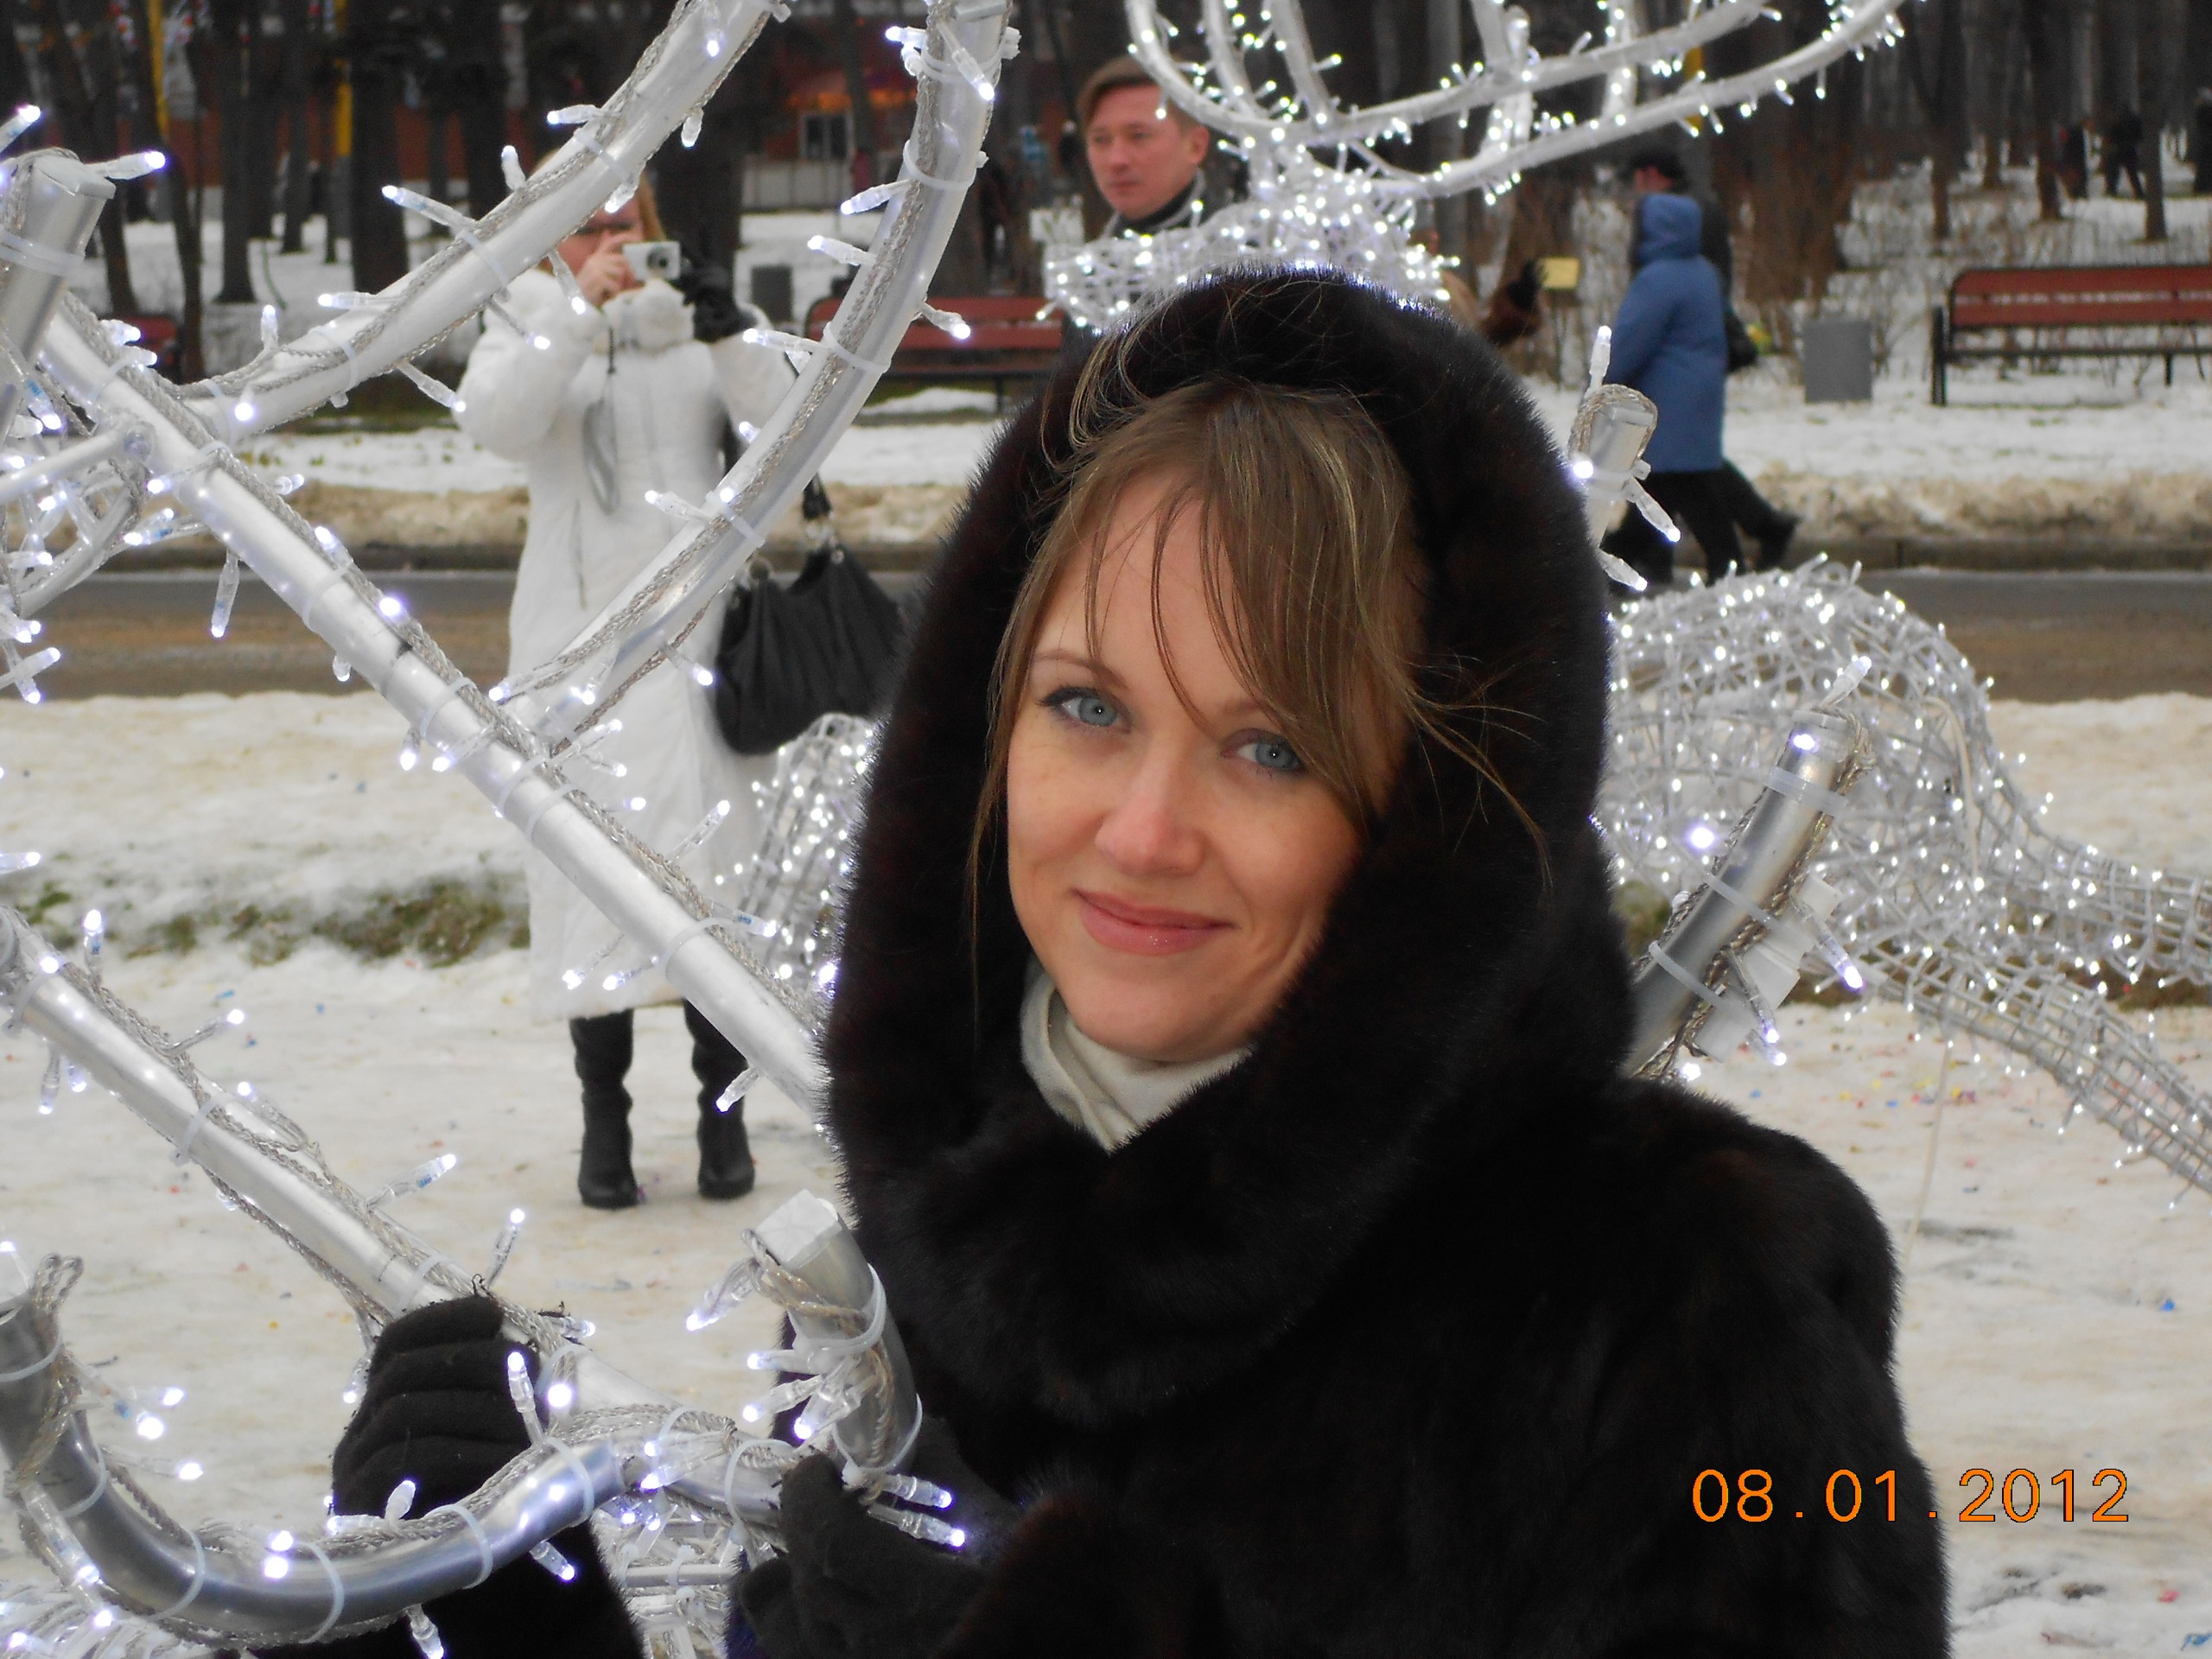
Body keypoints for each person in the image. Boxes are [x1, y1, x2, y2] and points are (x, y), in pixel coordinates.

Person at [287, 271, 1947, 1659]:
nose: (1143, 833)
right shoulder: (945, 1264)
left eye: (1271, 748)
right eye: (1088, 707)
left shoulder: (1692, 1316)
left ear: (1428, 821)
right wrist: (507, 1628)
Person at [455, 181, 796, 1210]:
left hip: (700, 645)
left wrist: (732, 333)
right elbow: (498, 423)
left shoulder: (692, 322)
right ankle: (603, 1122)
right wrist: (573, 316)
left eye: (626, 225)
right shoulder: (528, 317)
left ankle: (722, 1118)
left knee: (708, 883)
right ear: (550, 244)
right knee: (592, 880)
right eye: (587, 230)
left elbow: (788, 428)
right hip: (577, 655)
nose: (611, 244)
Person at [1626, 145, 1799, 568]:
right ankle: (1654, 557)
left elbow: (1658, 311)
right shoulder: (1694, 214)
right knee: (1675, 463)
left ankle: (1741, 542)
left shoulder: (1672, 227)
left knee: (1681, 466)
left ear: (1649, 174)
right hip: (1694, 356)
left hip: (1678, 357)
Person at [1603, 192, 1744, 585]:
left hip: (1666, 399)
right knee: (1666, 485)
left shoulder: (1657, 279)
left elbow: (1631, 340)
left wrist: (1602, 383)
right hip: (1699, 394)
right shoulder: (1704, 273)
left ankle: (1728, 566)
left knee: (1681, 485)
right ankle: (1620, 566)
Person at [1080, 54, 1211, 234]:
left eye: (1138, 136)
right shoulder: (1100, 248)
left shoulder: (1239, 247)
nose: (1117, 160)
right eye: (1101, 140)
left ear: (1195, 146)